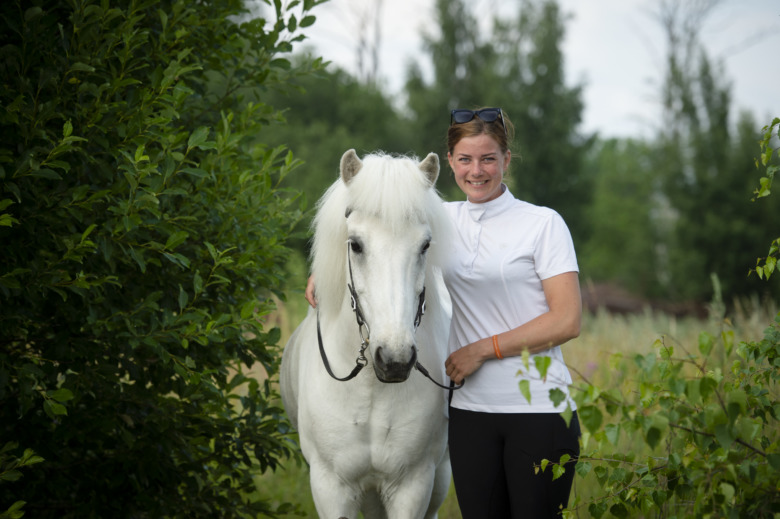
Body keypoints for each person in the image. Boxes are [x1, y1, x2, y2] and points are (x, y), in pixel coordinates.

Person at [304, 106, 581, 517]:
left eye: (488, 158)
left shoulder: (543, 224)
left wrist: (482, 350)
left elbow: (567, 320)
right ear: (448, 163)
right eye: (465, 159)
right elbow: (381, 241)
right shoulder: (437, 220)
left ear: (507, 159)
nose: (477, 170)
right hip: (469, 416)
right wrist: (325, 271)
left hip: (537, 410)